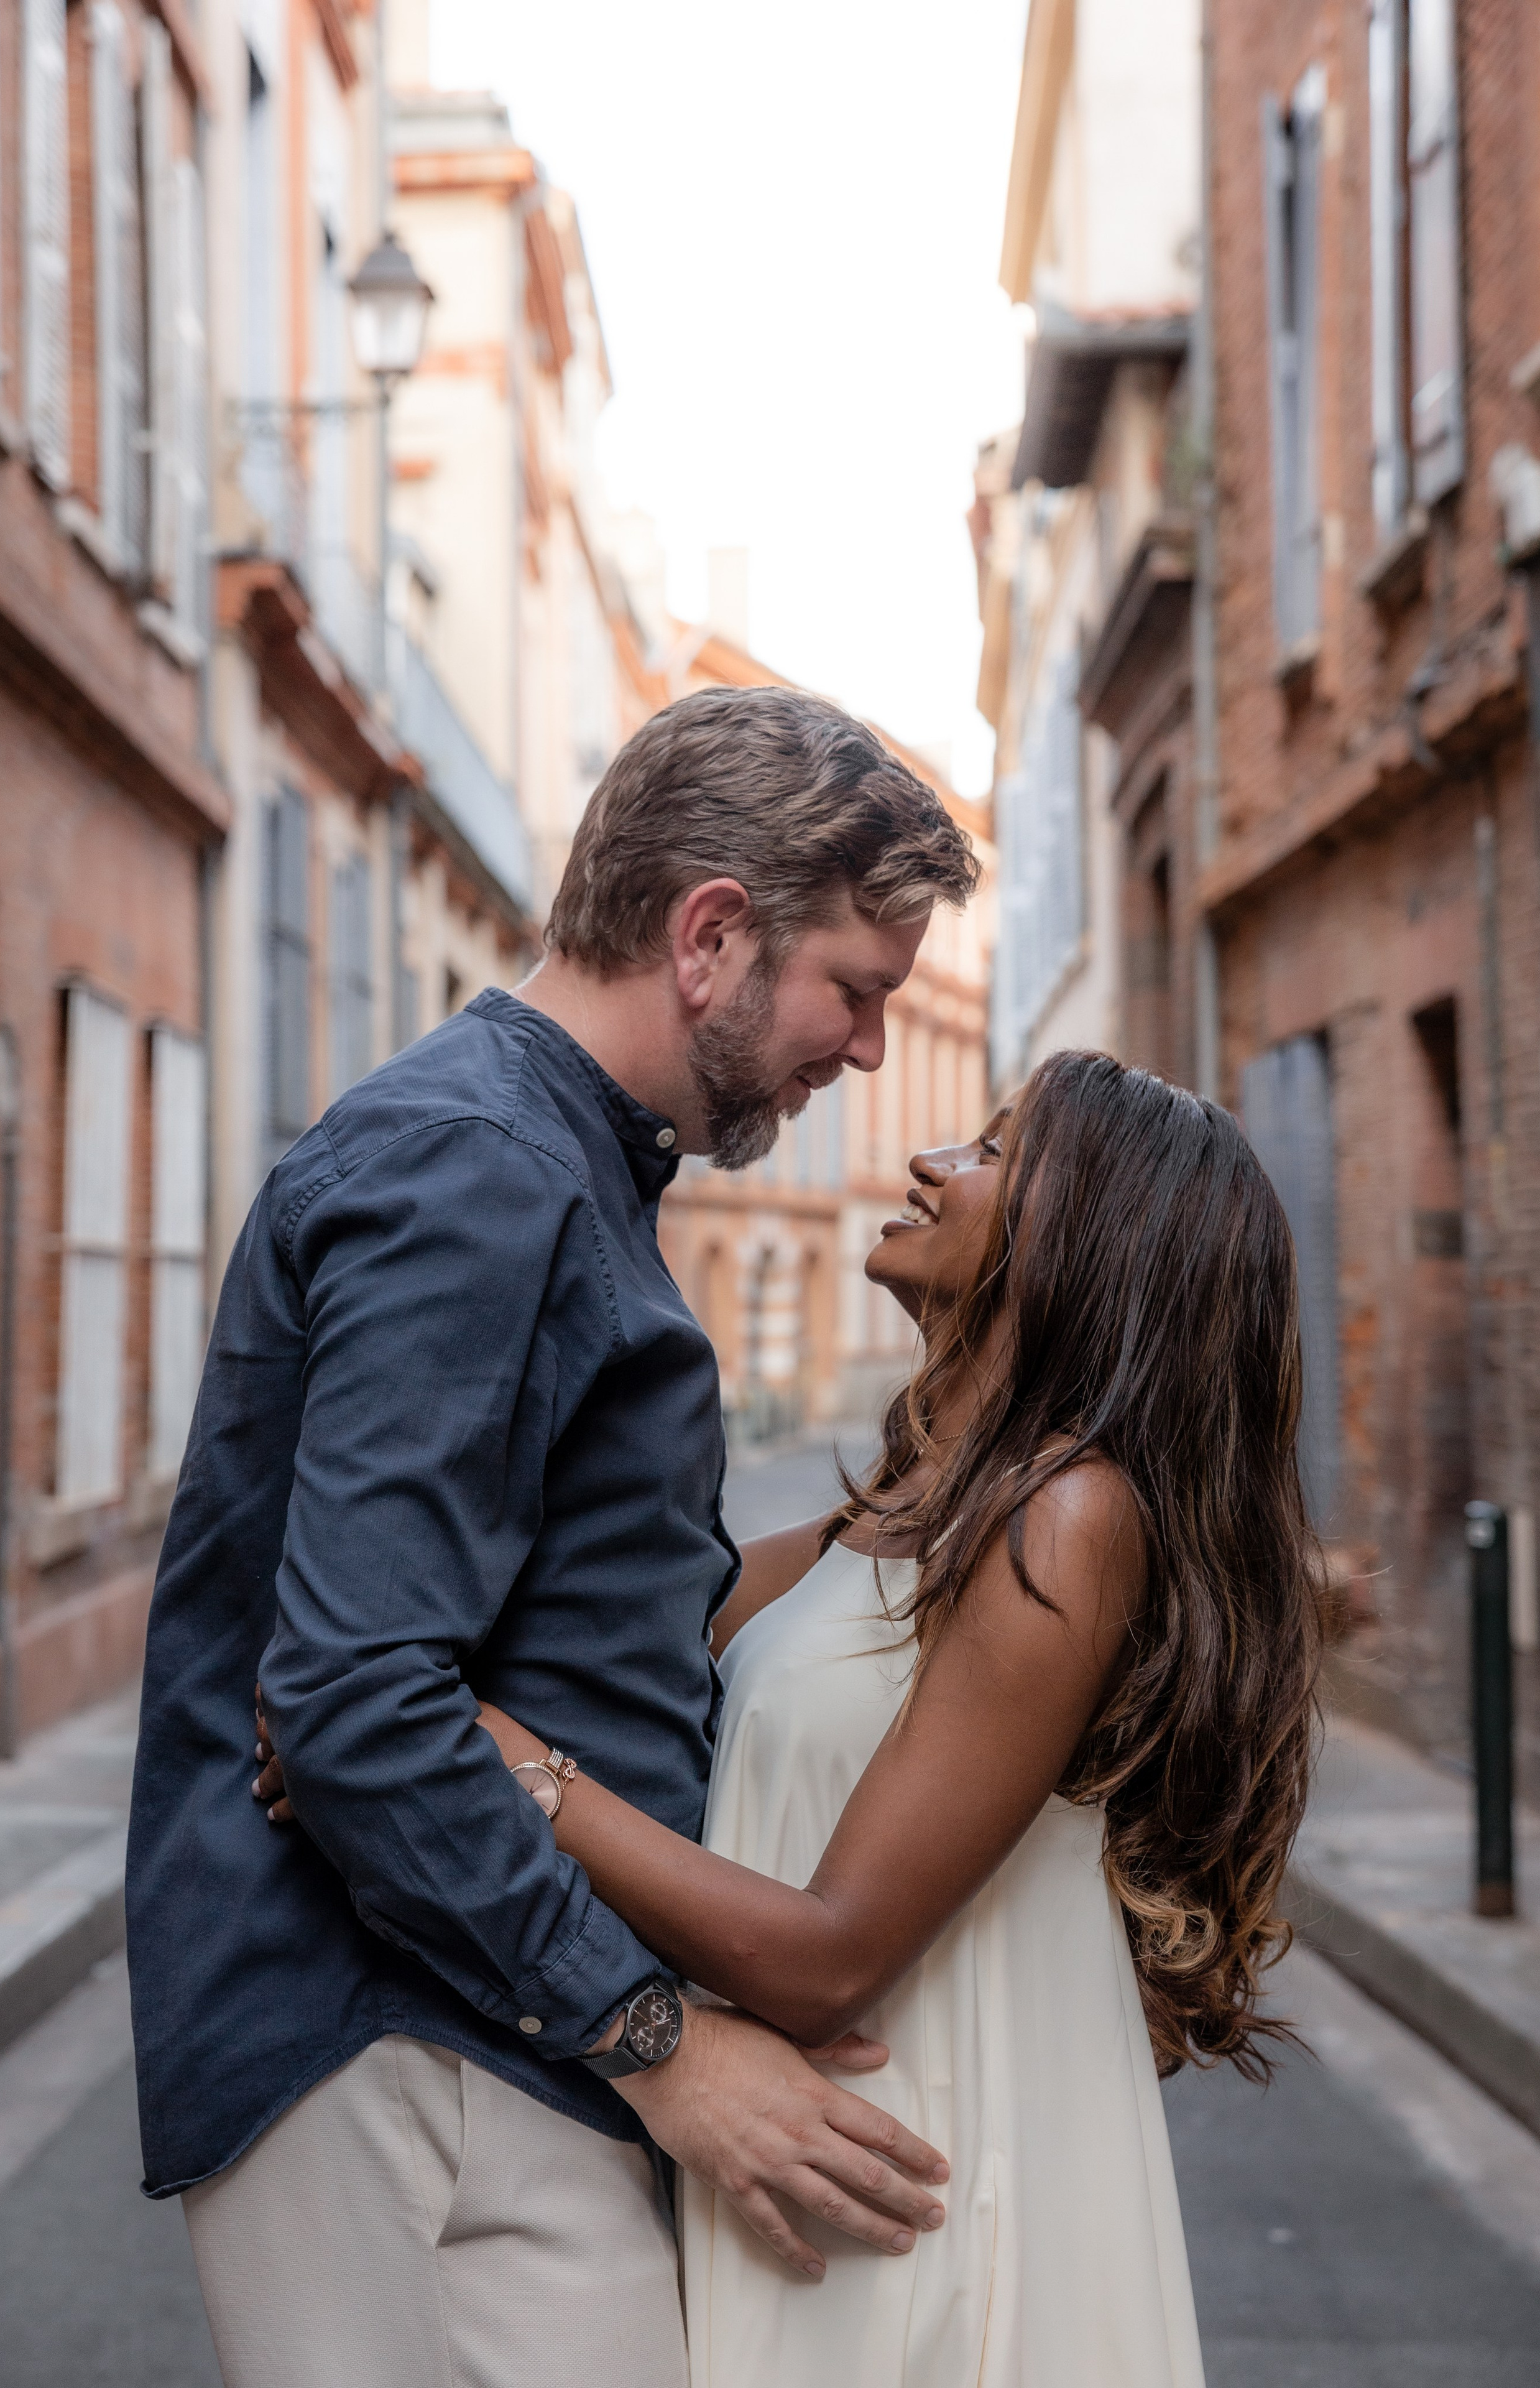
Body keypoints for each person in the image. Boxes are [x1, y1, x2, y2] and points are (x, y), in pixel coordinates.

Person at [124, 685, 979, 2388]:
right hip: (400, 2044)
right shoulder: (479, 1171)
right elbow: (360, 1701)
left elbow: (583, 1616)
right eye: (855, 994)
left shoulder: (550, 1161)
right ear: (712, 936)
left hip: (480, 2037)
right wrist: (659, 2042)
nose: (871, 1052)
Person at [304, 1051, 1325, 2384]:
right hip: (807, 2145)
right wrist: (375, 1706)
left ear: (1093, 1240)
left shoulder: (1066, 1521)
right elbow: (637, 1649)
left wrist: (509, 1768)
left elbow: (828, 1956)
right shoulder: (903, 1511)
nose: (930, 1163)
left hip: (905, 2171)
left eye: (994, 1152)